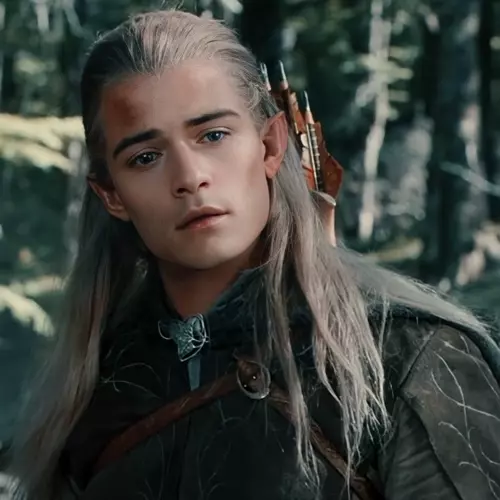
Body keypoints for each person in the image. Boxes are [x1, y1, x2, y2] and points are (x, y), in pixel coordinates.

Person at [7, 8, 500, 500]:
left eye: (213, 135)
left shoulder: (406, 358)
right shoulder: (95, 392)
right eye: (146, 157)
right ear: (112, 194)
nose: (190, 177)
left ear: (269, 145)